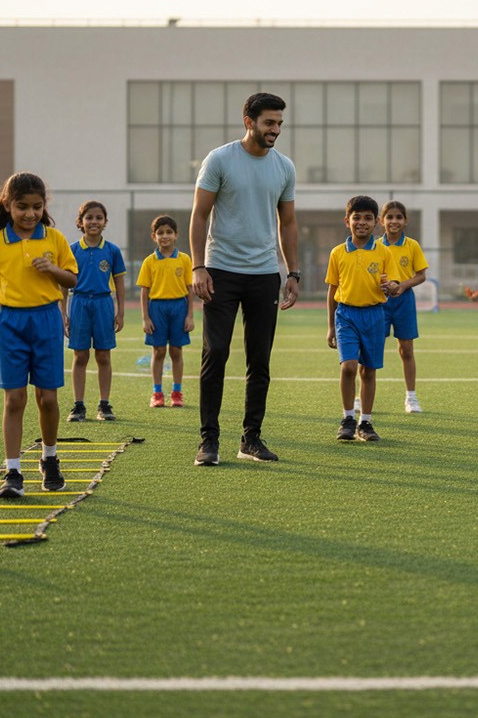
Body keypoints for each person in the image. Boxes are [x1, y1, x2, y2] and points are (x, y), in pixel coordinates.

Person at [0, 172, 78, 498]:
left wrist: (53, 270)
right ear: (8, 205)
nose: (30, 214)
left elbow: (73, 279)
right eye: (22, 207)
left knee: (47, 398)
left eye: (36, 207)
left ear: (43, 206)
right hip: (10, 323)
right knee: (15, 399)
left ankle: (49, 459)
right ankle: (13, 471)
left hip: (46, 320)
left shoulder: (54, 239)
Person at [189, 92, 300, 466]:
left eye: (280, 123)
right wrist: (198, 267)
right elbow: (200, 215)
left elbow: (288, 222)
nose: (276, 130)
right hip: (220, 271)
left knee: (259, 360)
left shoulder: (284, 167)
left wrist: (292, 271)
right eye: (270, 122)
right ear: (248, 121)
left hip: (264, 275)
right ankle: (209, 441)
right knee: (215, 353)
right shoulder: (220, 160)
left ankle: (251, 438)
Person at [327, 196, 403, 443]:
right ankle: (348, 417)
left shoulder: (383, 252)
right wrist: (330, 326)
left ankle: (365, 422)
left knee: (368, 371)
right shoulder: (338, 253)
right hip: (346, 315)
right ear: (347, 221)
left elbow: (391, 284)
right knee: (348, 367)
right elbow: (332, 291)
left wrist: (391, 286)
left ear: (376, 223)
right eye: (356, 217)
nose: (362, 222)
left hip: (374, 316)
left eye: (368, 218)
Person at [63, 201, 126, 422]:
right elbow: (63, 284)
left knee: (103, 355)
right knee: (80, 355)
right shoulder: (72, 250)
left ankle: (104, 404)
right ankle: (78, 405)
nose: (94, 222)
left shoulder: (112, 250)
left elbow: (119, 284)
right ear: (80, 222)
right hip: (79, 303)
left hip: (103, 304)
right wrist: (63, 313)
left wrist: (120, 312)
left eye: (99, 218)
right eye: (89, 217)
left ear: (105, 222)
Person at [374, 200, 429, 414]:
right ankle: (362, 396)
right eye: (389, 217)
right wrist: (384, 286)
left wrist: (403, 285)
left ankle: (411, 397)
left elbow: (422, 275)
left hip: (404, 301)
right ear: (381, 221)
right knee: (372, 349)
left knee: (406, 350)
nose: (394, 221)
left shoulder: (412, 245)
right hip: (379, 301)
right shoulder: (375, 246)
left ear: (405, 221)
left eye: (398, 217)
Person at [138, 215, 194, 409]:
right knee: (159, 351)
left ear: (176, 235)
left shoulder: (185, 259)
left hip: (179, 307)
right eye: (160, 232)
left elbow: (189, 289)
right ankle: (157, 392)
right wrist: (145, 318)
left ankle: (177, 392)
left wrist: (189, 315)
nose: (165, 236)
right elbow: (144, 292)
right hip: (157, 308)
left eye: (169, 232)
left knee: (176, 351)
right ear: (154, 236)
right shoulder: (149, 262)